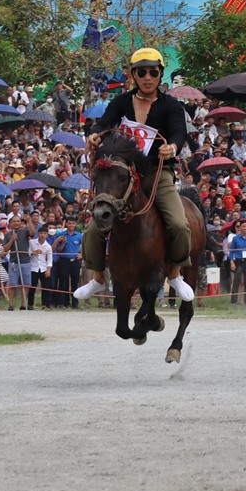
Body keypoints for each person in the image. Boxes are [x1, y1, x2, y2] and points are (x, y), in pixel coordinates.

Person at [75, 47, 195, 302]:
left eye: (153, 72)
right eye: (142, 72)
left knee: (178, 223)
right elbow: (105, 123)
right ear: (133, 75)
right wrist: (95, 134)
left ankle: (175, 274)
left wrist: (172, 147)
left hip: (158, 173)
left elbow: (179, 133)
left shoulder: (172, 105)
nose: (148, 77)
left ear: (160, 74)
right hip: (125, 176)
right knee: (94, 226)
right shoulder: (120, 102)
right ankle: (97, 277)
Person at [2, 215, 31, 311]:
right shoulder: (8, 235)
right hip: (14, 262)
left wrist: (29, 221)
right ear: (10, 224)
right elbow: (5, 249)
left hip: (25, 261)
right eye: (14, 221)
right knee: (13, 284)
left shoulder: (25, 231)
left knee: (26, 283)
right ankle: (11, 304)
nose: (16, 223)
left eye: (18, 221)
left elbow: (33, 233)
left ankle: (23, 304)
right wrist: (12, 240)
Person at [54, 216, 83, 308]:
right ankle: (62, 303)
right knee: (63, 282)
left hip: (75, 261)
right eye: (69, 223)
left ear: (75, 224)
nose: (71, 225)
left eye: (73, 223)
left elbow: (86, 246)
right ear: (66, 224)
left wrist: (82, 254)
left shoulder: (79, 235)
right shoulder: (61, 235)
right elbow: (58, 250)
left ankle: (75, 303)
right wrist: (63, 243)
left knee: (75, 282)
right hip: (64, 261)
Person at [229, 219, 246, 305]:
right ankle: (234, 301)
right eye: (243, 226)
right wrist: (232, 262)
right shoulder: (235, 238)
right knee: (236, 280)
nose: (245, 228)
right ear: (240, 228)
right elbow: (231, 252)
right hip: (239, 261)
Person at [28, 224, 53, 310]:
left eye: (45, 233)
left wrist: (48, 270)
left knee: (45, 287)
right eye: (41, 233)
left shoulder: (48, 246)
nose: (43, 235)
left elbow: (49, 259)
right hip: (33, 267)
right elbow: (27, 253)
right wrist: (34, 252)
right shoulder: (32, 242)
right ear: (38, 234)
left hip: (43, 268)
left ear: (47, 235)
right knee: (32, 287)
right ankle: (30, 304)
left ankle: (45, 305)